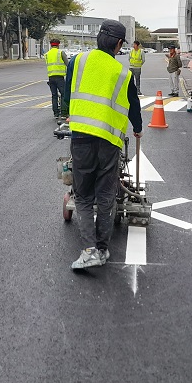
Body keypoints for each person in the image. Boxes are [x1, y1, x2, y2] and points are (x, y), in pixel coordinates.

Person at [62, 19, 143, 270]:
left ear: (98, 38)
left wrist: (70, 112)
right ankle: (103, 250)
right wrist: (138, 129)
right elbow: (133, 106)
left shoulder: (78, 61)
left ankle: (89, 251)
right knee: (106, 196)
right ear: (119, 44)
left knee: (84, 196)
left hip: (81, 138)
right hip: (109, 142)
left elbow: (67, 96)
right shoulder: (123, 73)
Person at [44, 38, 68, 120]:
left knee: (54, 95)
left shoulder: (47, 54)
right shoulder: (61, 53)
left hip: (51, 78)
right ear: (58, 44)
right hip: (60, 77)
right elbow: (68, 64)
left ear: (51, 45)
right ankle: (64, 113)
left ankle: (56, 113)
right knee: (63, 94)